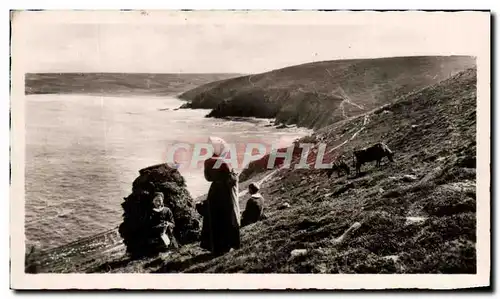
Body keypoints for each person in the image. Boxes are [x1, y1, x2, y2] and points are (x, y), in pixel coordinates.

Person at [199, 136, 241, 256]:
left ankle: (214, 247)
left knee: (214, 219)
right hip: (225, 192)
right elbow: (231, 180)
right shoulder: (225, 162)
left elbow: (208, 178)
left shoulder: (207, 161)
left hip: (214, 191)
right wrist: (234, 174)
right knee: (226, 218)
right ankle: (226, 245)